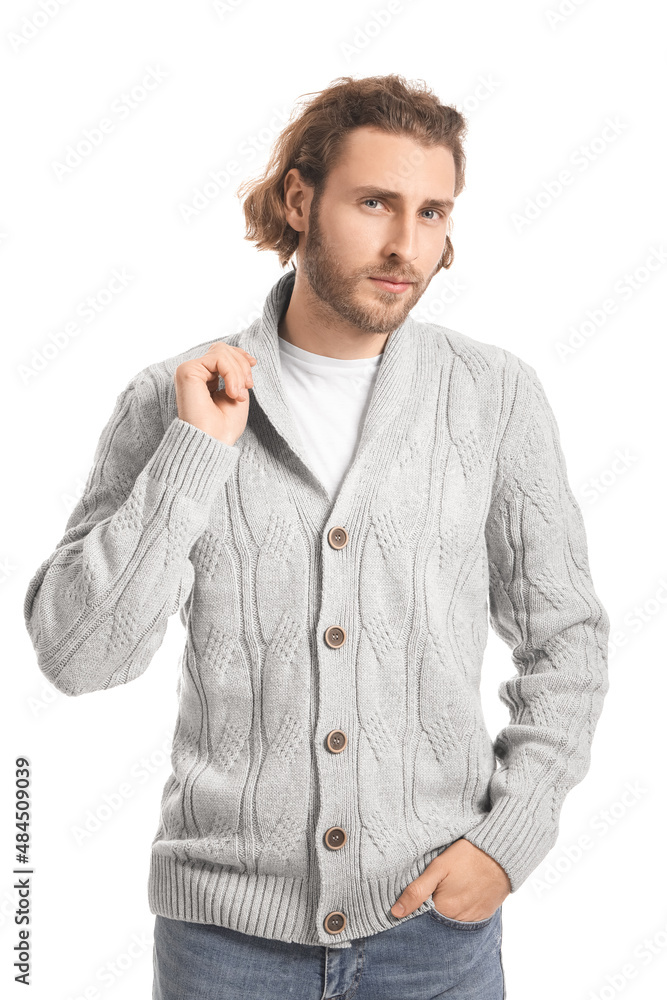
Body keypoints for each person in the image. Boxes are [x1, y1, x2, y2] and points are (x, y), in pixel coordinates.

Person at [23, 74, 610, 1000]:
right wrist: (190, 458)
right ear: (299, 199)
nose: (404, 244)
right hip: (223, 945)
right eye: (373, 202)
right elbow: (78, 656)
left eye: (431, 212)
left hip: (433, 930)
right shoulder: (173, 396)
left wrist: (510, 839)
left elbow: (565, 635)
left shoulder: (493, 397)